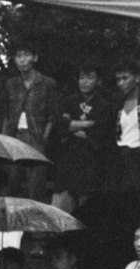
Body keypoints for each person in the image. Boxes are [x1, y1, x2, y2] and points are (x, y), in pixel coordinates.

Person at [1, 43, 61, 201]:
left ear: (35, 58)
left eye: (26, 55)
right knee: (11, 185)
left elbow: (52, 117)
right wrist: (4, 138)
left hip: (36, 138)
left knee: (36, 188)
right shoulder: (11, 84)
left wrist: (43, 140)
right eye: (18, 56)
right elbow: (7, 114)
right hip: (14, 137)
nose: (22, 60)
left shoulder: (47, 83)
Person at [53, 63, 111, 213]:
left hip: (90, 164)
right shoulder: (68, 101)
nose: (84, 81)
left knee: (87, 213)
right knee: (60, 213)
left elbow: (100, 131)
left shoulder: (105, 105)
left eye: (90, 78)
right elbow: (60, 125)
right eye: (81, 77)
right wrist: (87, 123)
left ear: (99, 81)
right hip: (67, 163)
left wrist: (72, 125)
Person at [114, 61, 140, 193]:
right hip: (120, 157)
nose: (121, 83)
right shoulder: (117, 103)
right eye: (118, 79)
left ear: (137, 78)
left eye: (125, 78)